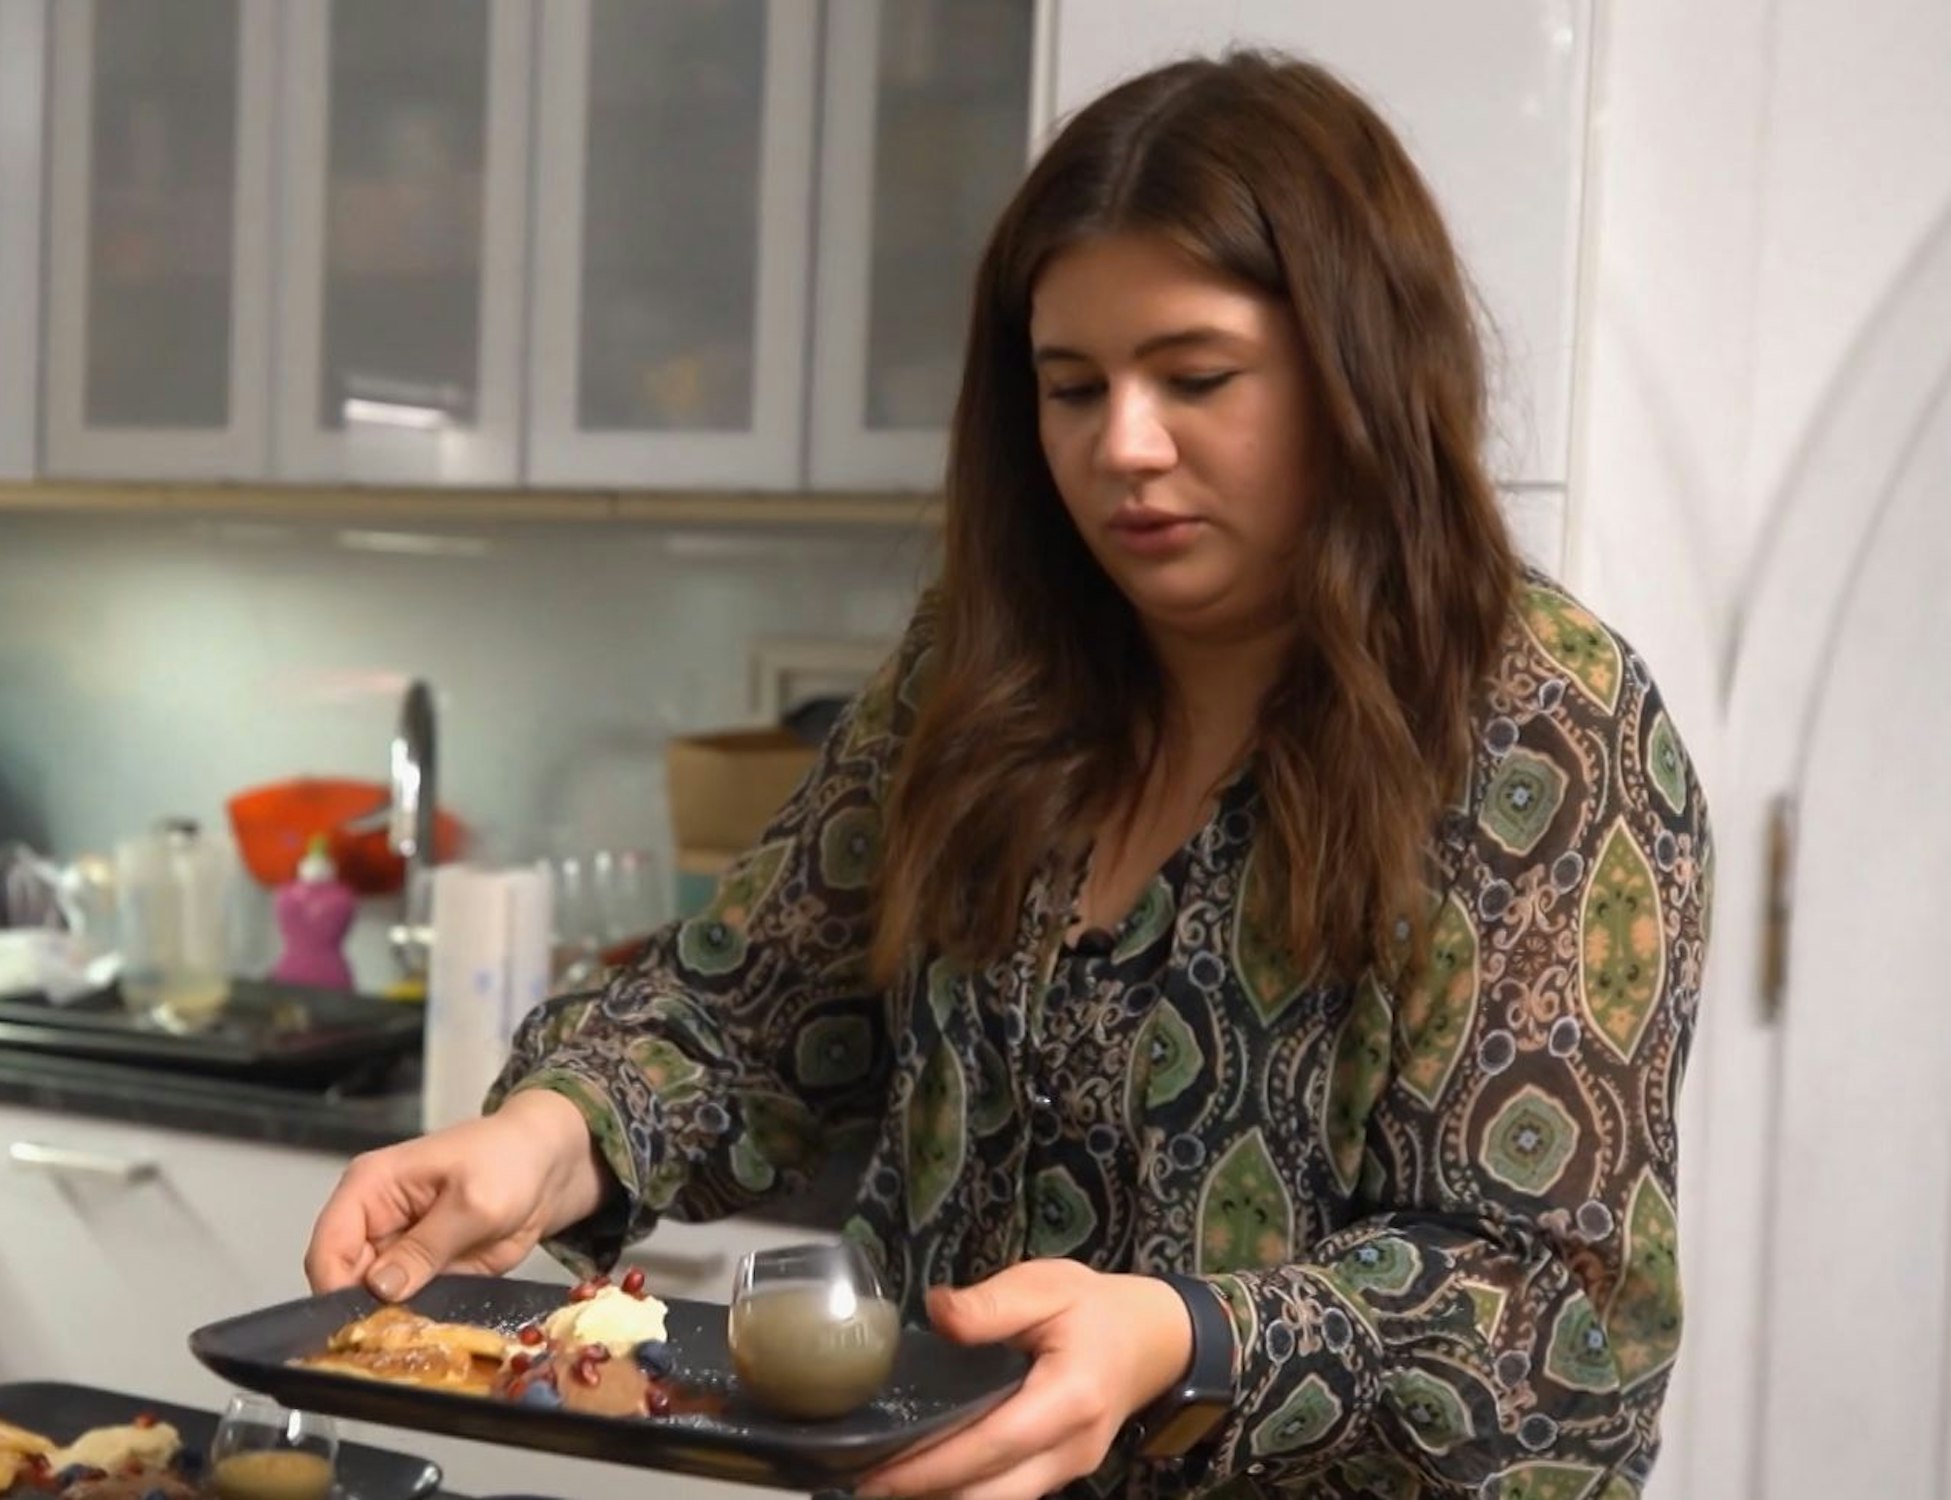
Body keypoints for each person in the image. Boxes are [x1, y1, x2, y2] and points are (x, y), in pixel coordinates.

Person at [306, 50, 1710, 1500]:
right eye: (1070, 387)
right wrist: (547, 1140)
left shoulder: (1538, 721)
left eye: (1198, 376)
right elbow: (752, 1010)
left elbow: (1559, 1320)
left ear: (1356, 368)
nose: (1127, 447)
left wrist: (1185, 1336)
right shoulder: (982, 671)